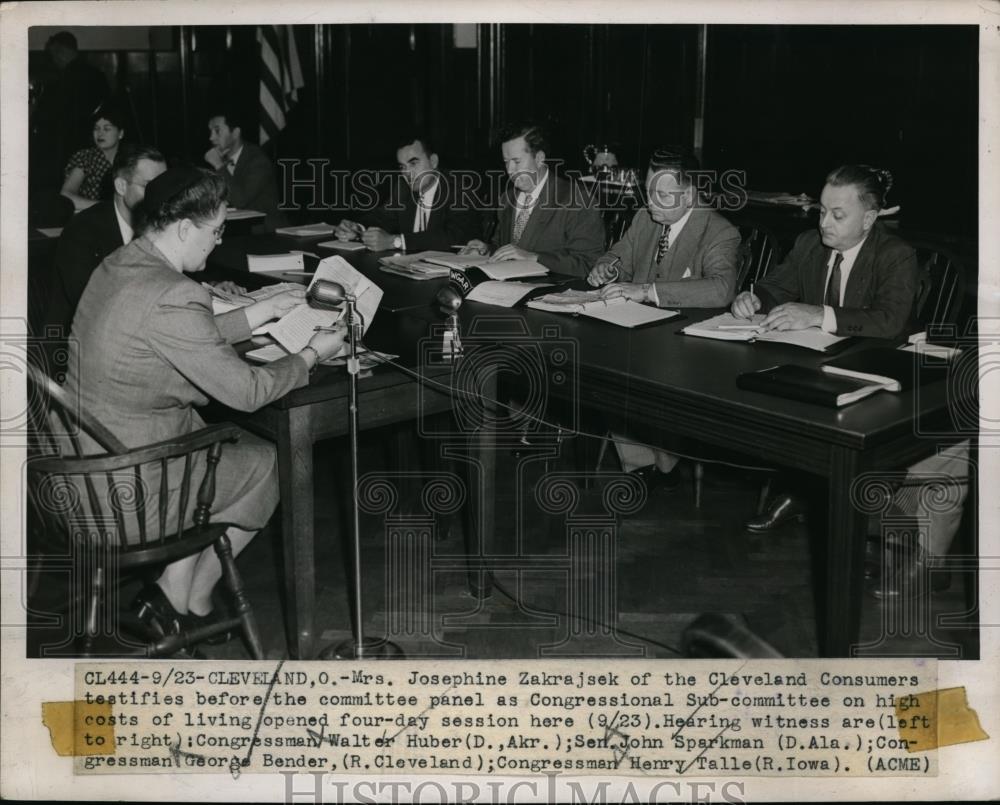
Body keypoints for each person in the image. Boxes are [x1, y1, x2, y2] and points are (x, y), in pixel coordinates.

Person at [61, 166, 346, 649]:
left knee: (234, 449)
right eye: (216, 232)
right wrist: (313, 353)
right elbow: (247, 392)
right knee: (275, 459)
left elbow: (169, 332)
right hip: (128, 489)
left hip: (79, 470)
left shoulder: (120, 263)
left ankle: (175, 602)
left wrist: (263, 309)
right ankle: (183, 598)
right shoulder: (176, 294)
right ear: (185, 228)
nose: (218, 243)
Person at [731, 164, 962, 599]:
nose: (823, 224)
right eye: (821, 211)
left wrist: (822, 314)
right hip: (826, 367)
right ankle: (805, 492)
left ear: (869, 219)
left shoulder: (895, 255)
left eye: (838, 215)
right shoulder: (807, 245)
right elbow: (775, 286)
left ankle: (925, 559)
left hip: (885, 372)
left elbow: (890, 321)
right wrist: (752, 297)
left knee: (937, 451)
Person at [587, 147, 741, 486]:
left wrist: (646, 291)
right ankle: (644, 462)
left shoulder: (718, 231)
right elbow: (622, 254)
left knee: (624, 366)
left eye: (660, 193)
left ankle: (658, 463)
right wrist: (606, 267)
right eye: (647, 190)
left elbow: (721, 289)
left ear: (688, 195)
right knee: (599, 358)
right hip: (638, 330)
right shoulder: (646, 217)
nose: (650, 200)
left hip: (688, 342)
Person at [47, 144, 168, 347]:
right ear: (121, 186)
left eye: (163, 188)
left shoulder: (160, 224)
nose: (161, 199)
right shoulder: (82, 230)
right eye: (149, 187)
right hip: (78, 346)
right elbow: (92, 304)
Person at [462, 121, 605, 278]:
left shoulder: (577, 199)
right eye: (506, 162)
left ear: (539, 158)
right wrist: (486, 251)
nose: (509, 170)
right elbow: (505, 248)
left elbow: (588, 264)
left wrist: (534, 258)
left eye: (516, 161)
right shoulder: (507, 198)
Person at [334, 133, 481, 252]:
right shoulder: (403, 188)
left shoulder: (460, 189)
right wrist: (357, 229)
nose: (407, 173)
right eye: (402, 166)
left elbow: (454, 238)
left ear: (434, 161)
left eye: (413, 163)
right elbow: (381, 218)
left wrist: (395, 242)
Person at [204, 108, 284, 231]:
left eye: (217, 131)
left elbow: (240, 200)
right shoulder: (220, 160)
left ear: (235, 133)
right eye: (210, 131)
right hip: (234, 231)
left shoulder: (258, 161)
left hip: (265, 234)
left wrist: (219, 166)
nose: (211, 137)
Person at [60, 106, 125, 211]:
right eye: (96, 128)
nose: (100, 133)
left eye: (107, 128)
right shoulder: (85, 157)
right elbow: (66, 195)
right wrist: (107, 207)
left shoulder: (130, 160)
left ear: (120, 134)